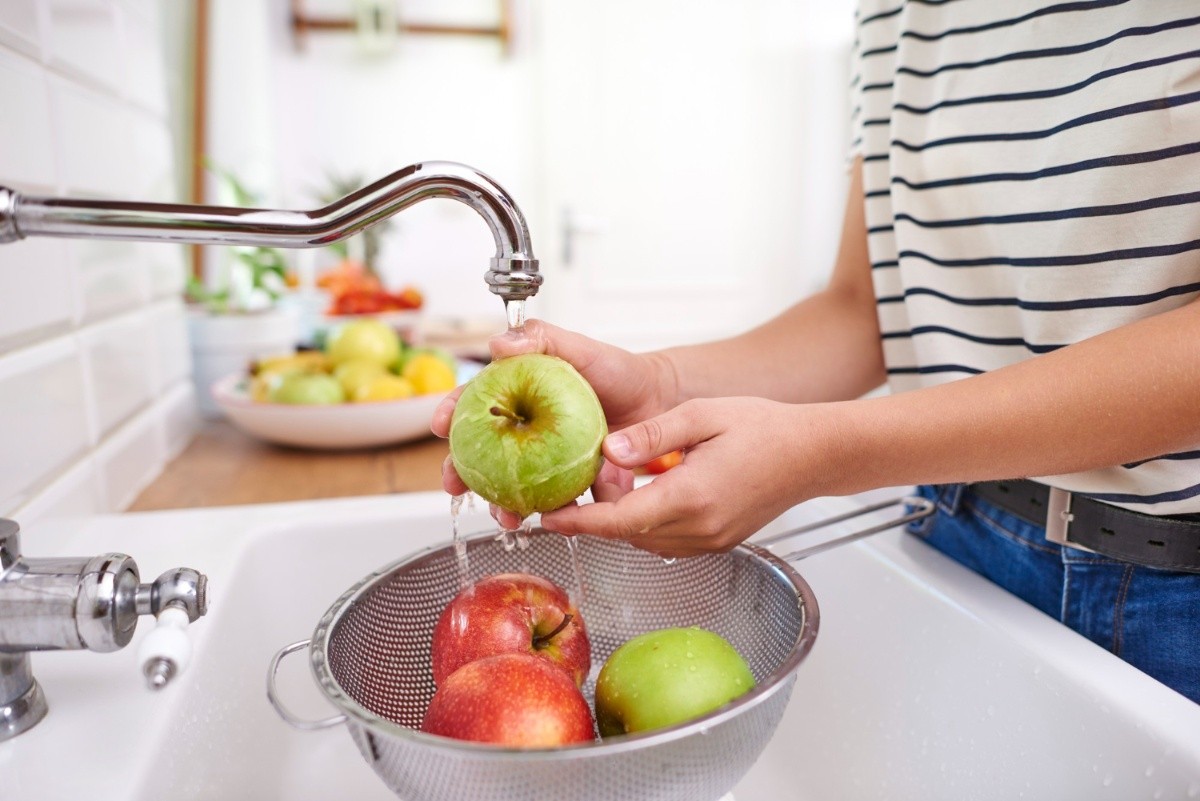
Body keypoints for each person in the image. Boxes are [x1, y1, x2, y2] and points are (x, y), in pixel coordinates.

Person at [433, 1, 1200, 704]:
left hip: (1171, 594)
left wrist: (827, 454)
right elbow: (864, 310)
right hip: (957, 530)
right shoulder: (896, 11)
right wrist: (659, 384)